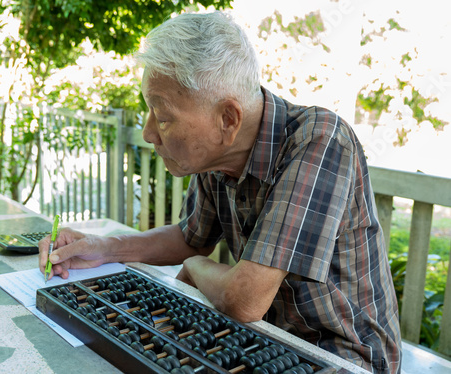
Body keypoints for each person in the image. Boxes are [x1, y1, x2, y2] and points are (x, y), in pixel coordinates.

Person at [39, 11, 401, 373]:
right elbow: (190, 237)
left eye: (162, 116)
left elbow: (243, 299)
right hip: (266, 341)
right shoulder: (219, 156)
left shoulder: (320, 140)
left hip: (345, 357)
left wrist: (196, 268)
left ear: (228, 119)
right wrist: (103, 249)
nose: (149, 133)